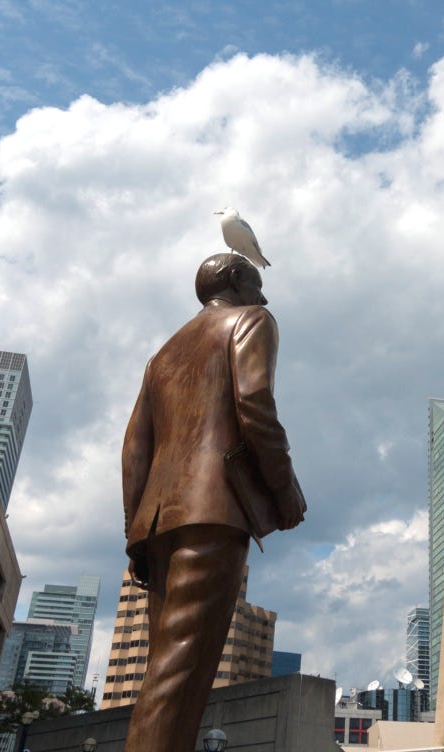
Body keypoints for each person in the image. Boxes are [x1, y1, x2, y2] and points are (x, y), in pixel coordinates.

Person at [121, 252, 305, 752]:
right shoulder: (251, 320)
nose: (263, 297)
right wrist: (283, 487)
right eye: (256, 284)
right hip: (213, 509)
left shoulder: (163, 353)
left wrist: (133, 532)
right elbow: (254, 403)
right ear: (235, 280)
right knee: (182, 670)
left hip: (158, 520)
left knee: (165, 670)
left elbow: (135, 446)